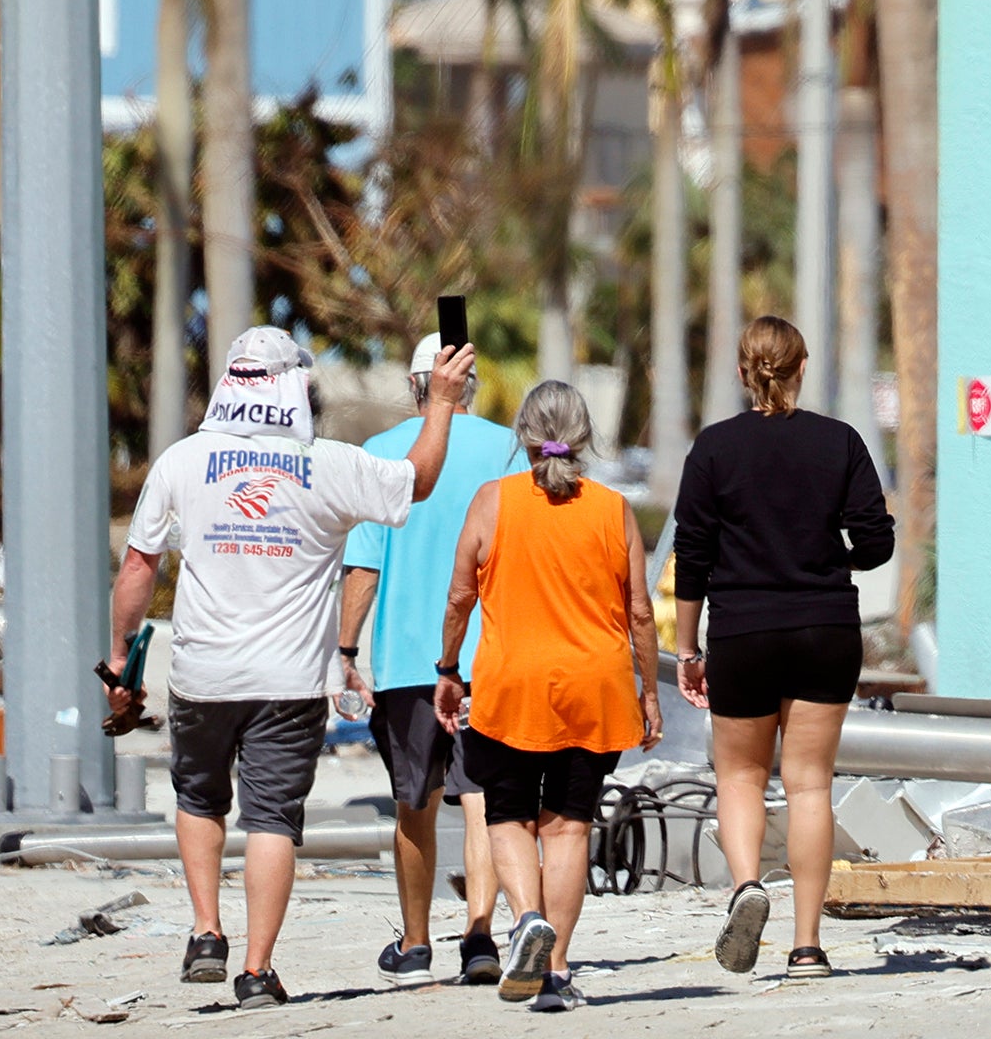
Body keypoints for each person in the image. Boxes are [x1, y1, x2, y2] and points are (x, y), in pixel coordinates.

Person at [112, 324, 476, 1006]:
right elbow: (418, 482)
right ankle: (255, 969)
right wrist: (443, 401)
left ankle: (206, 930)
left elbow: (138, 564)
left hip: (202, 673)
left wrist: (117, 656)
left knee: (199, 798)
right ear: (295, 387)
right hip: (290, 681)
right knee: (272, 819)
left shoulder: (182, 461)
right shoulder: (331, 463)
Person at [672, 315, 894, 982]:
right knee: (809, 785)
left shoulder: (713, 449)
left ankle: (746, 888)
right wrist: (828, 557)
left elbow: (692, 557)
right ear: (801, 368)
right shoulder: (841, 442)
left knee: (739, 777)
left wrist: (686, 650)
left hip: (741, 629)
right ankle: (807, 948)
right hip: (825, 627)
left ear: (743, 372)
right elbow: (876, 544)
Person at [434, 381, 661, 1013]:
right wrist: (649, 695)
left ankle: (528, 919)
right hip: (596, 686)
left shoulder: (493, 501)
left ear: (524, 435)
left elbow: (460, 598)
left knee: (507, 815)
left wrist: (448, 668)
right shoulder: (614, 509)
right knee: (568, 827)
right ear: (584, 436)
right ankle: (556, 969)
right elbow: (640, 613)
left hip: (512, 686)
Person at [339, 333, 521, 987]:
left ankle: (416, 943)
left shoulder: (381, 455)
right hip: (492, 655)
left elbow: (362, 565)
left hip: (409, 661)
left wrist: (346, 650)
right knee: (485, 800)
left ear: (418, 386)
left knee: (413, 802)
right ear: (464, 383)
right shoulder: (509, 447)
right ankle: (480, 936)